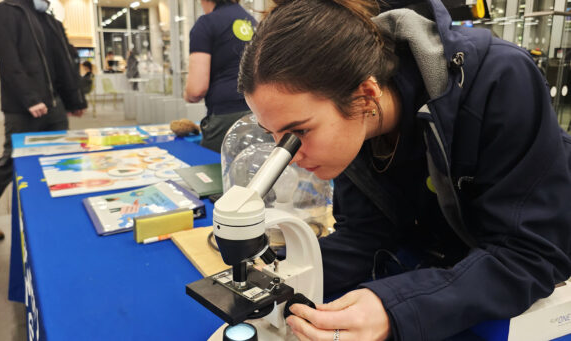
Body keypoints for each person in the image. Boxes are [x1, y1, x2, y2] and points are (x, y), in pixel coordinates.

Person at [238, 0, 571, 339]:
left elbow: (531, 254)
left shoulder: (501, 79)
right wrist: (281, 272)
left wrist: (394, 308)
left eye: (300, 132)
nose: (291, 157)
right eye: (274, 136)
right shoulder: (354, 127)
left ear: (366, 95)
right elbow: (368, 235)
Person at [0, 0, 86, 241]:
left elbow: (62, 61)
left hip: (55, 106)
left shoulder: (49, 17)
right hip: (24, 108)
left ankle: (54, 218)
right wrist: (29, 97)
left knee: (58, 159)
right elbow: (8, 60)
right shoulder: (4, 11)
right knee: (12, 160)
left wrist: (75, 99)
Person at [184, 0, 257, 152]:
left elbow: (196, 90)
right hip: (260, 114)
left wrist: (188, 94)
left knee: (213, 172)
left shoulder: (207, 23)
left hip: (226, 117)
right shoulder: (252, 22)